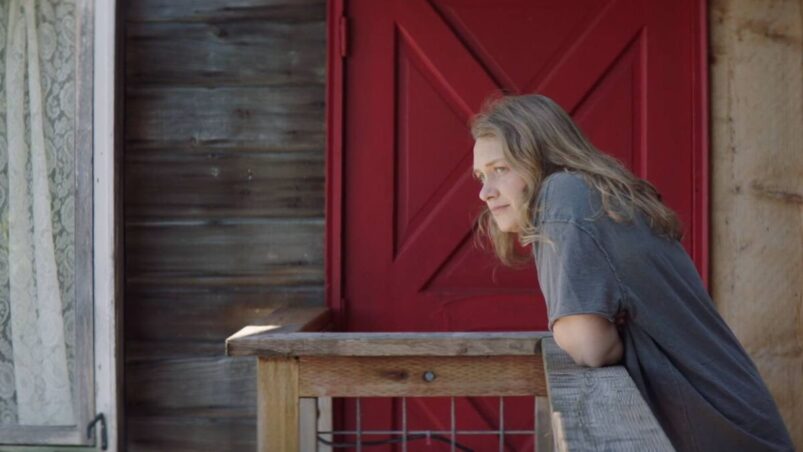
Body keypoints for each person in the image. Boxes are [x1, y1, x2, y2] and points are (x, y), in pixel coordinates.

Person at [470, 94, 794, 451]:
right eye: (481, 175)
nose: (485, 192)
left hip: (723, 434)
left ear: (543, 156)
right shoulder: (586, 195)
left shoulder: (562, 195)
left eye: (500, 169)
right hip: (734, 424)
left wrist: (577, 330)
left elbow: (590, 347)